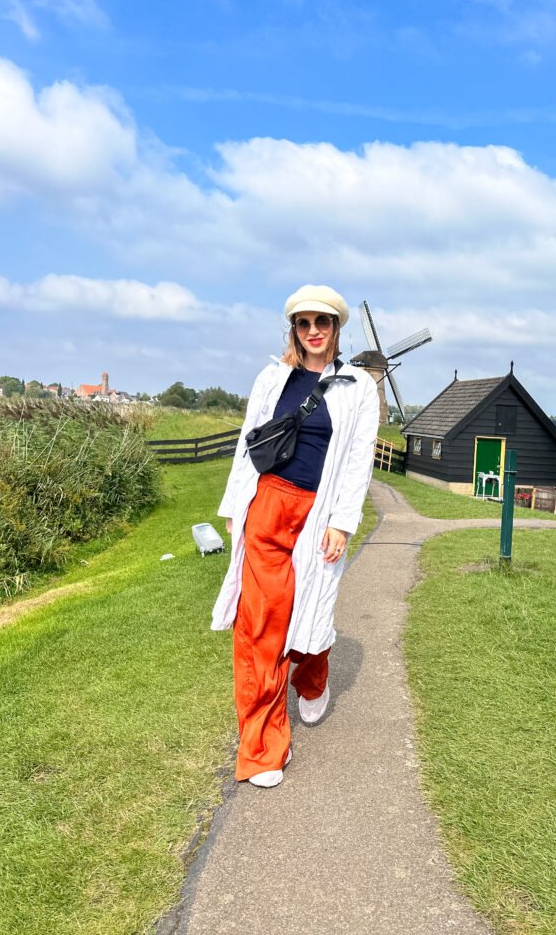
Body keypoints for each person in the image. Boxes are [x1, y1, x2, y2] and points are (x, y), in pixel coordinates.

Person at [211, 285, 379, 788]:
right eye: (304, 323)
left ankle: (313, 675)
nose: (313, 332)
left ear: (336, 330)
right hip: (266, 507)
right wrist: (234, 507)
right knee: (261, 627)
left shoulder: (358, 388)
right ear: (293, 329)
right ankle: (261, 751)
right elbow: (249, 442)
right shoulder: (271, 377)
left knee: (308, 619)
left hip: (317, 513)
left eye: (322, 323)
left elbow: (358, 460)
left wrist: (342, 522)